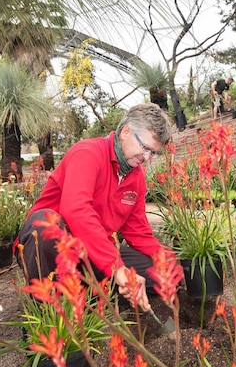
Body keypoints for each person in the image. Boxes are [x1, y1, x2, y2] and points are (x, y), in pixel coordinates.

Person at [15, 103, 173, 312]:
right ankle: (47, 316)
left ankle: (86, 294)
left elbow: (137, 230)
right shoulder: (88, 153)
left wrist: (170, 262)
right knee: (46, 224)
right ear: (126, 132)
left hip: (92, 253)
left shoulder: (136, 177)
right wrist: (116, 268)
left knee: (160, 273)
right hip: (50, 249)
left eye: (153, 153)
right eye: (145, 148)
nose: (147, 158)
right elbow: (77, 210)